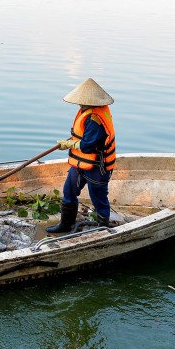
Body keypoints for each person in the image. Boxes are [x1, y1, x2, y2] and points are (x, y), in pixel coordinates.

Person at [45, 78, 116, 233]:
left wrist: (69, 144)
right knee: (69, 191)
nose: (79, 103)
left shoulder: (95, 119)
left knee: (99, 198)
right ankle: (66, 224)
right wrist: (69, 142)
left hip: (97, 167)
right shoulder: (86, 112)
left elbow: (87, 146)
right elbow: (81, 137)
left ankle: (102, 228)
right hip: (80, 164)